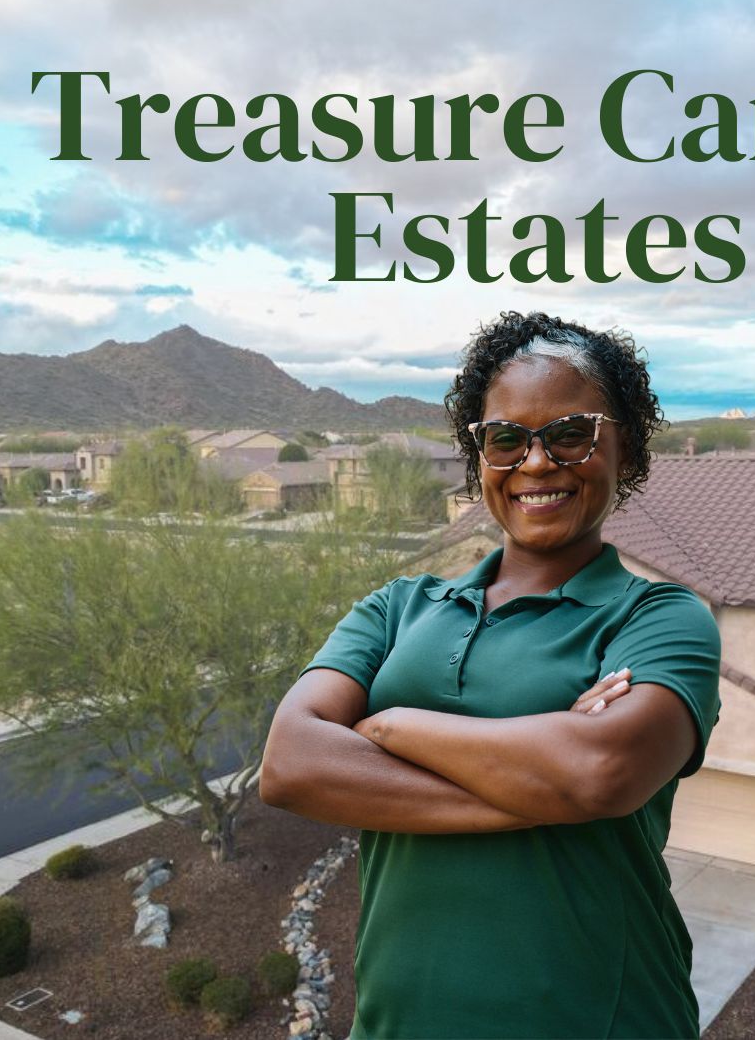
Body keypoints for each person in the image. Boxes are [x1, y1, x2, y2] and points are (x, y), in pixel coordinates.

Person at [261, 311, 721, 1039]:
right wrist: (544, 776)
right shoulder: (396, 608)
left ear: (624, 450)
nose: (537, 462)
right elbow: (289, 765)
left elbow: (600, 772)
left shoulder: (660, 619)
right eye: (505, 438)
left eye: (571, 432)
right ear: (479, 459)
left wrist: (392, 725)